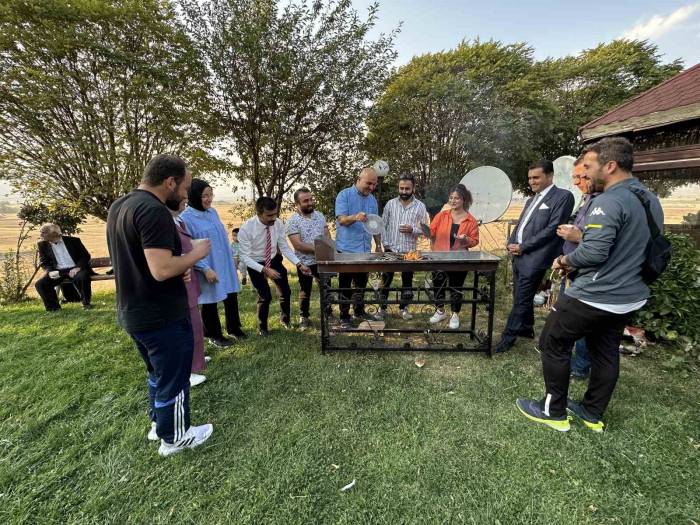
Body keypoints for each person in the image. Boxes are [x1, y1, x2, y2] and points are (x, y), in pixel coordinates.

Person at [516, 137, 664, 433]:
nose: (586, 172)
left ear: (609, 166)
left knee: (552, 342)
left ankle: (553, 411)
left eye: (590, 166)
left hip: (597, 293)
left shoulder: (609, 200)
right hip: (629, 294)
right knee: (605, 351)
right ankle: (592, 412)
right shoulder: (649, 199)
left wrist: (564, 262)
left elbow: (594, 251)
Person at [106, 154, 213, 457]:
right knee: (175, 377)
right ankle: (176, 437)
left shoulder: (121, 205)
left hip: (134, 311)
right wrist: (195, 253)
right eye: (184, 187)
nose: (185, 194)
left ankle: (159, 425)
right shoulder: (154, 211)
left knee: (157, 374)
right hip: (161, 313)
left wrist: (181, 267)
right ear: (169, 182)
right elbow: (162, 269)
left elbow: (142, 261)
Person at [495, 160, 575, 353]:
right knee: (519, 295)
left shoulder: (563, 197)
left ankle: (507, 339)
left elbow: (551, 229)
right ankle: (526, 328)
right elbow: (521, 223)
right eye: (530, 178)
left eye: (536, 177)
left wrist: (524, 246)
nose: (532, 181)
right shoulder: (532, 200)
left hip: (536, 257)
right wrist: (511, 242)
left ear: (549, 176)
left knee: (522, 298)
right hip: (519, 255)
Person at [180, 179, 246, 348]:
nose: (209, 199)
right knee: (210, 301)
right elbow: (188, 247)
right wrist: (205, 268)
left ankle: (234, 328)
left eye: (211, 195)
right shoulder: (185, 218)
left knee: (231, 295)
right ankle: (214, 334)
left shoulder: (212, 212)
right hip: (206, 265)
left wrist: (233, 257)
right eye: (205, 196)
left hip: (224, 262)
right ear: (194, 196)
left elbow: (222, 237)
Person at [239, 196, 312, 336]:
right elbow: (244, 257)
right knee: (265, 296)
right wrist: (264, 270)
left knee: (285, 291)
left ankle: (285, 320)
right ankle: (263, 328)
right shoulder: (247, 228)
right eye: (269, 215)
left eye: (275, 214)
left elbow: (284, 247)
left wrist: (299, 263)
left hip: (273, 259)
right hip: (255, 263)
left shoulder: (277, 223)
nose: (274, 218)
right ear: (259, 213)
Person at [555, 158, 601, 380]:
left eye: (580, 177)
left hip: (585, 274)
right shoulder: (587, 200)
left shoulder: (603, 204)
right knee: (568, 317)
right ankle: (569, 358)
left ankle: (581, 365)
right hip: (572, 268)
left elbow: (599, 245)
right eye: (574, 177)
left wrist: (577, 237)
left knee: (579, 321)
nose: (575, 182)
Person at [374, 174, 428, 321]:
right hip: (390, 249)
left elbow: (425, 231)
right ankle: (382, 308)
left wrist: (412, 230)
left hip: (409, 251)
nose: (404, 191)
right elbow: (382, 225)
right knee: (386, 279)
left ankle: (404, 309)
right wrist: (384, 244)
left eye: (407, 188)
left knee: (407, 281)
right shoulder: (390, 204)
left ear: (413, 188)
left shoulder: (420, 207)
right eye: (401, 188)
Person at [335, 166, 383, 328]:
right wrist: (355, 217)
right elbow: (341, 220)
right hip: (347, 250)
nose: (371, 188)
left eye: (374, 185)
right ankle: (344, 316)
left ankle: (359, 311)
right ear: (358, 180)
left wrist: (378, 244)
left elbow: (375, 224)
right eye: (368, 184)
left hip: (364, 250)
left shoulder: (372, 200)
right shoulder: (344, 195)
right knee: (345, 285)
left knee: (361, 284)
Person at [428, 184, 479, 329]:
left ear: (464, 199)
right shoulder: (442, 215)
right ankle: (440, 311)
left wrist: (466, 240)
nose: (453, 200)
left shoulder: (470, 220)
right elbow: (432, 231)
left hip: (459, 259)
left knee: (456, 287)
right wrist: (426, 231)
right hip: (440, 257)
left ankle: (455, 314)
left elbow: (475, 240)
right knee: (438, 284)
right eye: (451, 198)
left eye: (456, 198)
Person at [168, 195, 207, 387]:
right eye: (182, 197)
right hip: (179, 278)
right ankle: (187, 371)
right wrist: (194, 252)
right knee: (187, 325)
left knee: (195, 322)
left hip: (188, 276)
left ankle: (197, 359)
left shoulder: (179, 220)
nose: (185, 200)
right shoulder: (166, 222)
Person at [286, 187, 331, 330]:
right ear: (297, 204)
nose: (310, 202)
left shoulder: (320, 216)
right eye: (306, 201)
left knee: (326, 288)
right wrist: (319, 248)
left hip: (323, 260)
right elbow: (297, 244)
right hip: (304, 262)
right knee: (305, 291)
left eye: (311, 199)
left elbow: (327, 236)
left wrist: (326, 248)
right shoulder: (292, 221)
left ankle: (328, 314)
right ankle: (304, 317)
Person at [35, 224, 95, 311]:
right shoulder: (42, 245)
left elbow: (85, 256)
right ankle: (53, 308)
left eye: (43, 232)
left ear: (54, 233)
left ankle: (86, 304)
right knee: (41, 284)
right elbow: (44, 262)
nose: (41, 235)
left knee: (82, 277)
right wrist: (50, 271)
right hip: (58, 271)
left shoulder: (74, 241)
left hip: (75, 269)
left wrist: (78, 267)